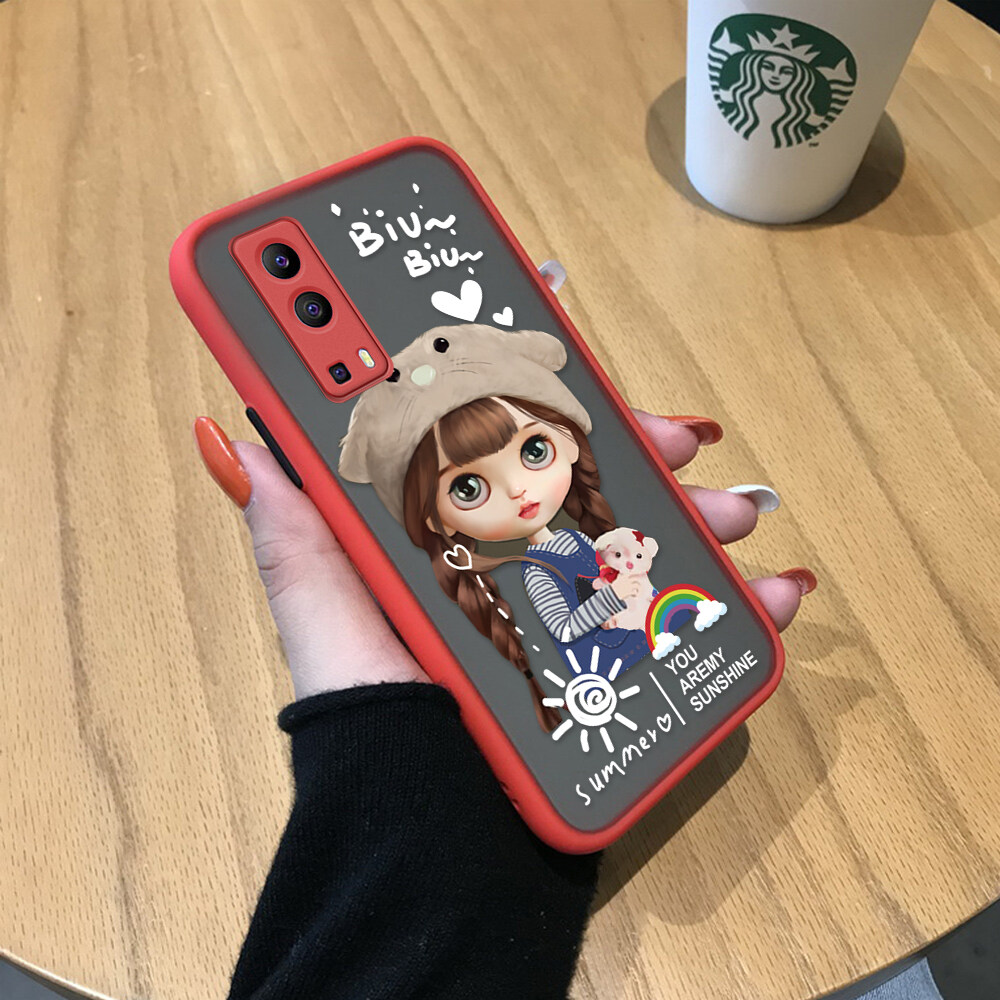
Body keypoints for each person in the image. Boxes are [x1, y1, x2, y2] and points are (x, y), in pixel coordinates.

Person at [193, 408, 815, 1000]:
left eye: (533, 451)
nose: (518, 489)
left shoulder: (578, 536)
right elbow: (565, 630)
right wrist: (613, 600)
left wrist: (631, 569)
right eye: (468, 488)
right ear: (437, 518)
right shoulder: (535, 569)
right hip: (601, 660)